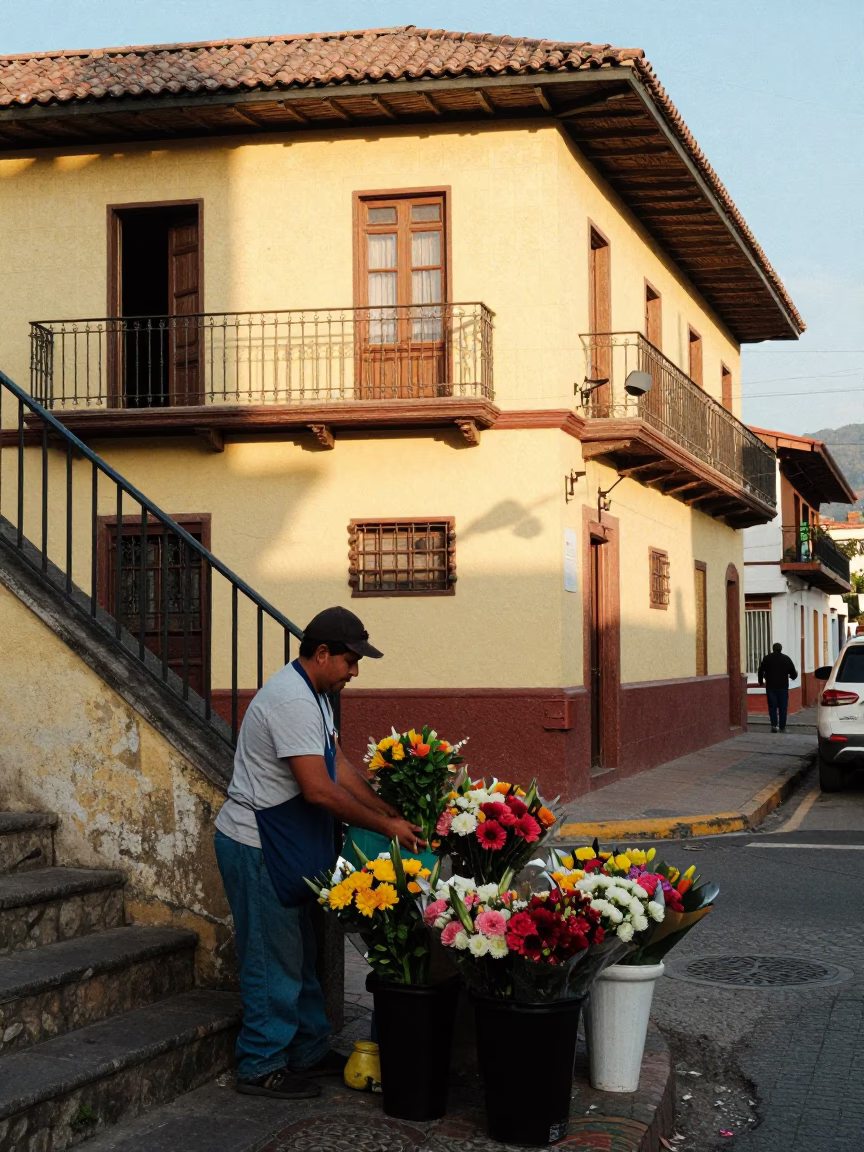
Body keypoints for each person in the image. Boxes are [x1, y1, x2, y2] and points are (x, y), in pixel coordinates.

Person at [213, 606, 424, 1101]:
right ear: (322, 653)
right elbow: (320, 792)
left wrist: (384, 805)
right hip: (258, 843)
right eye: (350, 660)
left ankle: (306, 1050)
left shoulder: (318, 695)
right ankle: (262, 1063)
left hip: (286, 841)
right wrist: (386, 826)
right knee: (272, 957)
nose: (355, 670)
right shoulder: (290, 700)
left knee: (302, 955)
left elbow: (338, 766)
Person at [757, 642, 798, 733]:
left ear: (773, 649)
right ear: (781, 649)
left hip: (771, 687)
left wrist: (760, 681)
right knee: (783, 707)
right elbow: (793, 673)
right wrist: (793, 676)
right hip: (783, 687)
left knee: (772, 706)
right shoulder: (786, 659)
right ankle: (782, 726)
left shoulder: (767, 659)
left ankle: (774, 725)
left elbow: (761, 670)